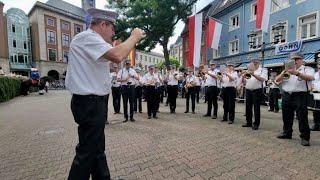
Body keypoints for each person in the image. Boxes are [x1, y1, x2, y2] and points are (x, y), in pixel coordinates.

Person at [65, 8, 145, 180]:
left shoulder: (90, 41)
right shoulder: (88, 38)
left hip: (93, 103)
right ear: (103, 24)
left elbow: (108, 60)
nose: (114, 33)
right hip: (90, 103)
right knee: (86, 153)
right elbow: (117, 56)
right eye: (112, 28)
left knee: (97, 149)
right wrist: (134, 36)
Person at [275, 52, 315, 146]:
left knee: (302, 117)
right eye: (293, 60)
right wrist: (284, 73)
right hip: (287, 94)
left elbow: (311, 78)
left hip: (300, 95)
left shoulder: (307, 69)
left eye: (297, 59)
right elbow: (277, 80)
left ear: (302, 60)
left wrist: (297, 73)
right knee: (286, 116)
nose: (295, 61)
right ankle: (287, 133)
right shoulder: (287, 70)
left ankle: (305, 137)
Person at [242, 59, 267, 130]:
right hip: (248, 90)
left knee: (256, 108)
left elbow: (263, 79)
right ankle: (248, 122)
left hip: (257, 90)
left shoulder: (263, 70)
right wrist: (243, 77)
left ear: (258, 63)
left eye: (255, 63)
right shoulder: (248, 71)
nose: (254, 65)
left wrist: (253, 74)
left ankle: (256, 124)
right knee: (248, 107)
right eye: (253, 63)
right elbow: (245, 83)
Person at [311, 63, 320, 131]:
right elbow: (312, 83)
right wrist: (312, 88)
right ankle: (316, 125)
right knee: (316, 110)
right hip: (316, 93)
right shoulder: (315, 74)